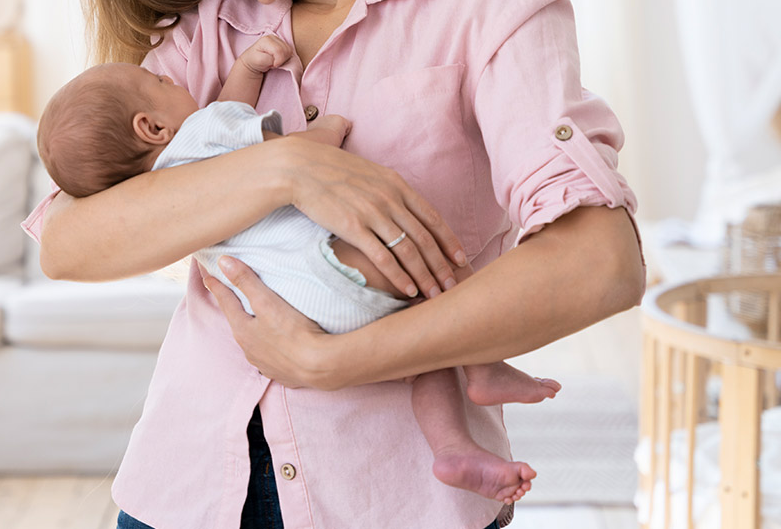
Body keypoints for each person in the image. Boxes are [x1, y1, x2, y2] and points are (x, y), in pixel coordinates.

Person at [24, 0, 646, 527]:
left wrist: (336, 362)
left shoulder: (486, 6)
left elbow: (602, 264)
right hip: (188, 490)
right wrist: (286, 169)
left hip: (396, 501)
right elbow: (68, 243)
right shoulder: (207, 37)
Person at [36, 37, 563, 505]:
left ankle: (454, 450)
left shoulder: (164, 184)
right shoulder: (201, 131)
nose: (167, 75)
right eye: (158, 81)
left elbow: (226, 114)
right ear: (150, 126)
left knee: (425, 346)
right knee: (436, 269)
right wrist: (329, 130)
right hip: (329, 269)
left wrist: (245, 66)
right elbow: (287, 152)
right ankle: (480, 372)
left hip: (290, 305)